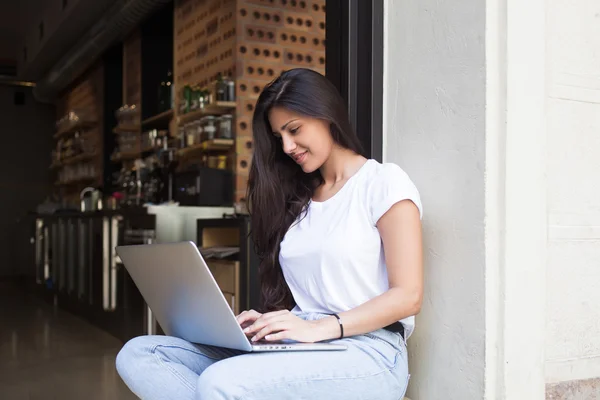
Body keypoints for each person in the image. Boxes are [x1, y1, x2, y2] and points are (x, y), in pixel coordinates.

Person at [115, 68, 423, 400]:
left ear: (327, 114)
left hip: (369, 351)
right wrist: (269, 323)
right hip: (301, 341)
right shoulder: (300, 200)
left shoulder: (382, 182)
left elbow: (408, 296)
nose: (288, 146)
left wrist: (320, 327)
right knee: (140, 354)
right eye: (279, 137)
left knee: (220, 383)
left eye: (294, 130)